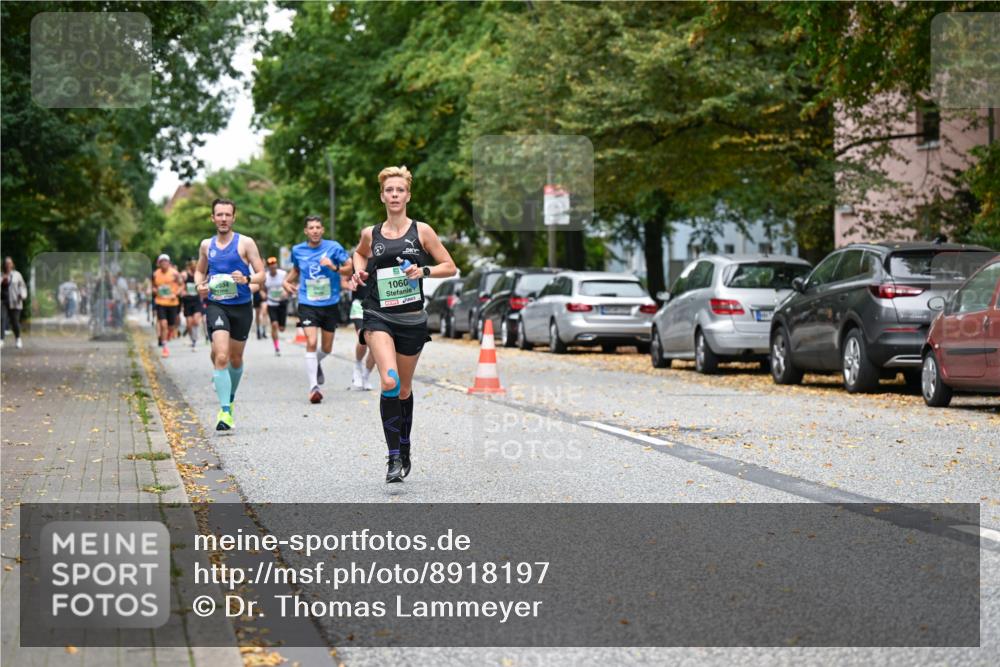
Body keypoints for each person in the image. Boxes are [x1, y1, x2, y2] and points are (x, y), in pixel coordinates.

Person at [348, 166, 457, 483]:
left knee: (405, 389)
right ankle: (393, 458)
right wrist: (359, 272)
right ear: (381, 196)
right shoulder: (372, 233)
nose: (394, 195)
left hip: (411, 318)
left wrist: (422, 273)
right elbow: (359, 254)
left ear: (407, 195)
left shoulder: (422, 231)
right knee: (390, 381)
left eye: (399, 190)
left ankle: (405, 446)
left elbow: (449, 266)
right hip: (378, 314)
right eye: (389, 190)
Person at [194, 198, 265, 431]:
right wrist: (199, 286)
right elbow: (199, 271)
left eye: (227, 215)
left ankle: (230, 397)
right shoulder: (207, 245)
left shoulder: (245, 243)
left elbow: (261, 274)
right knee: (221, 356)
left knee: (235, 359)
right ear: (212, 217)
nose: (223, 219)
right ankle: (225, 412)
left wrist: (246, 279)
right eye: (219, 215)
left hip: (242, 307)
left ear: (234, 218)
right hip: (217, 305)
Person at [284, 216, 353, 404]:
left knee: (327, 348)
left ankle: (316, 362)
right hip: (308, 303)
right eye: (311, 228)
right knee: (311, 342)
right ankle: (314, 387)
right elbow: (297, 270)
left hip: (330, 303)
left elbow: (350, 268)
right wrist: (285, 281)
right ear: (306, 231)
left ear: (322, 230)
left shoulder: (334, 247)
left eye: (318, 227)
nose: (314, 230)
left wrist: (333, 266)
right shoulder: (298, 250)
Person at [348, 277, 375, 390]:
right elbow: (343, 280)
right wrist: (349, 284)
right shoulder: (355, 260)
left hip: (378, 306)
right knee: (363, 337)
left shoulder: (385, 259)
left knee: (376, 345)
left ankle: (366, 376)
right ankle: (358, 365)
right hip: (359, 304)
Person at [152, 254, 182, 357]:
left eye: (166, 261)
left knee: (171, 326)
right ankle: (165, 348)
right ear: (159, 263)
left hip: (172, 303)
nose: (164, 263)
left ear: (169, 263)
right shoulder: (155, 274)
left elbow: (181, 286)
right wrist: (155, 291)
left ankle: (169, 333)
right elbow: (153, 286)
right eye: (162, 261)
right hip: (160, 302)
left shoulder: (175, 273)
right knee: (163, 324)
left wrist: (176, 294)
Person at [263, 257, 289, 356]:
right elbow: (262, 289)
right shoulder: (266, 277)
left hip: (282, 303)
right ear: (269, 267)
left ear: (276, 266)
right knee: (274, 325)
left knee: (281, 328)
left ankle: (281, 327)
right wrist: (263, 294)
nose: (273, 267)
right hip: (271, 303)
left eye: (274, 265)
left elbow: (289, 284)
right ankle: (277, 347)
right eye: (271, 266)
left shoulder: (283, 274)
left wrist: (286, 292)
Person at [1, 257, 28, 349]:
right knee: (1, 319)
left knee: (14, 322)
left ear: (12, 264)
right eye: (6, 263)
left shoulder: (17, 275)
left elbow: (22, 286)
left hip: (15, 301)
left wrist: (22, 295)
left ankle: (18, 338)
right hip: (3, 301)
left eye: (9, 263)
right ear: (3, 265)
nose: (8, 265)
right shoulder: (1, 275)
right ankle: (1, 339)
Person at [180, 259, 204, 350]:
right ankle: (192, 338)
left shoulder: (199, 275)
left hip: (196, 301)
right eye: (193, 266)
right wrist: (183, 292)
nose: (195, 267)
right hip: (187, 302)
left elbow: (202, 285)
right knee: (189, 324)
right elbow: (181, 286)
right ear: (190, 266)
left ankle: (195, 339)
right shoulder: (185, 275)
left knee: (196, 321)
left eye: (196, 265)